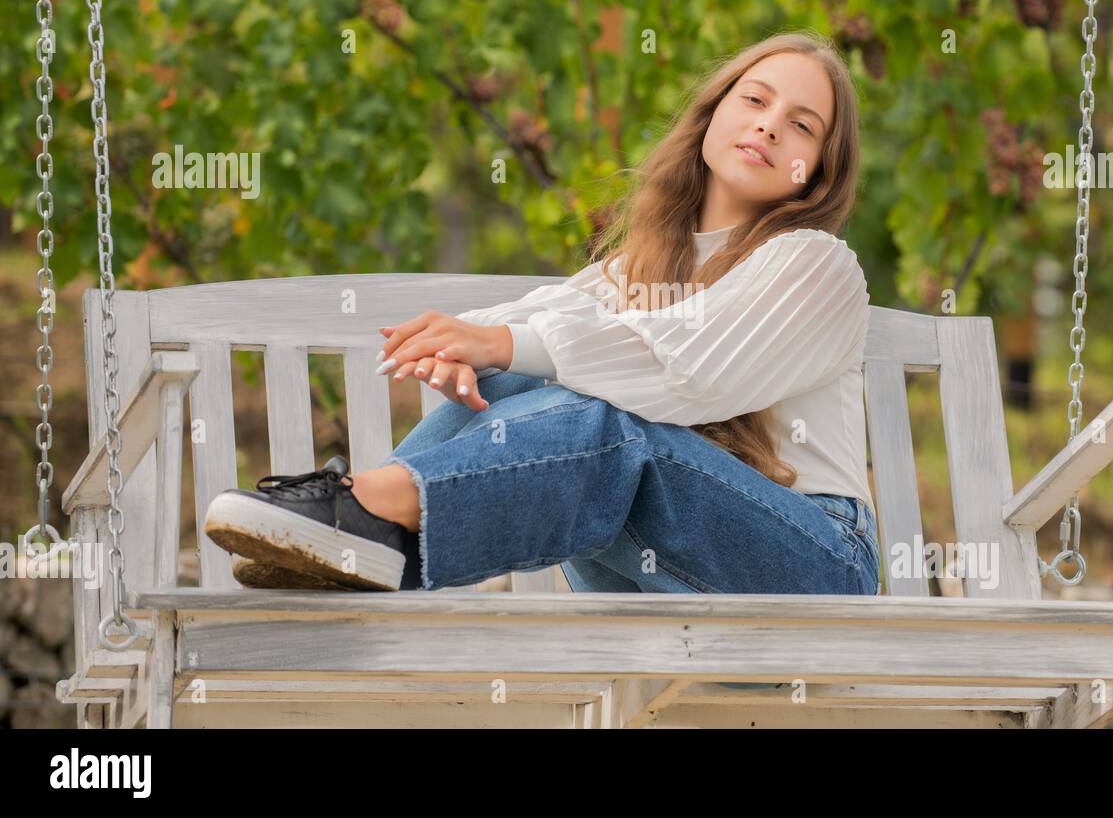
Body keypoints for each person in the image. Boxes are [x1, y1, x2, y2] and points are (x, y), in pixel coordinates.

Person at [204, 30, 880, 601]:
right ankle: (367, 536)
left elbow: (692, 366)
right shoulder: (639, 268)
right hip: (661, 580)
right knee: (517, 376)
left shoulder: (818, 267)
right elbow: (540, 320)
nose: (768, 124)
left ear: (816, 170)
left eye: (801, 125)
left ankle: (370, 512)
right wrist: (469, 345)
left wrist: (500, 341)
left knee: (612, 426)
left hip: (812, 566)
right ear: (713, 114)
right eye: (755, 100)